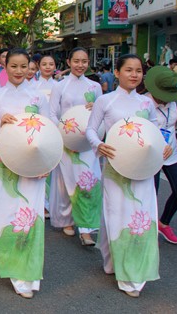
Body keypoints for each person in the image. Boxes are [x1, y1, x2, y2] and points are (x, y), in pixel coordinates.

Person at [86, 54, 171, 298]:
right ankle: (116, 261)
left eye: (138, 71)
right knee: (118, 215)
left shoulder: (146, 103)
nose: (134, 75)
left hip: (143, 168)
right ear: (117, 72)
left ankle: (134, 270)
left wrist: (164, 144)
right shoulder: (105, 101)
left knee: (142, 216)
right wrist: (98, 144)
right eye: (129, 70)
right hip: (116, 167)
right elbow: (91, 128)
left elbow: (156, 129)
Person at [0, 48, 51, 299]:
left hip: (33, 165)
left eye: (24, 66)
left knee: (29, 215)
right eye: (14, 66)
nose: (19, 71)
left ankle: (24, 271)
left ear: (31, 67)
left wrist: (47, 164)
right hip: (2, 163)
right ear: (5, 66)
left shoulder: (39, 98)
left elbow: (50, 131)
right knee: (1, 212)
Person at [48, 47, 103, 246]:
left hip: (88, 141)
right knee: (66, 182)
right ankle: (66, 219)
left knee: (88, 181)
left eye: (84, 61)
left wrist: (95, 108)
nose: (81, 65)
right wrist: (62, 130)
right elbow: (52, 113)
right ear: (69, 62)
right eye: (77, 61)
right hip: (66, 141)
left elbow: (101, 112)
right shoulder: (60, 86)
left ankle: (87, 227)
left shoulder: (95, 87)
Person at [144, 66, 177, 244]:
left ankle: (164, 223)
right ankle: (148, 227)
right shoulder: (144, 103)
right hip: (151, 154)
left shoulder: (172, 100)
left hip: (171, 153)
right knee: (151, 193)